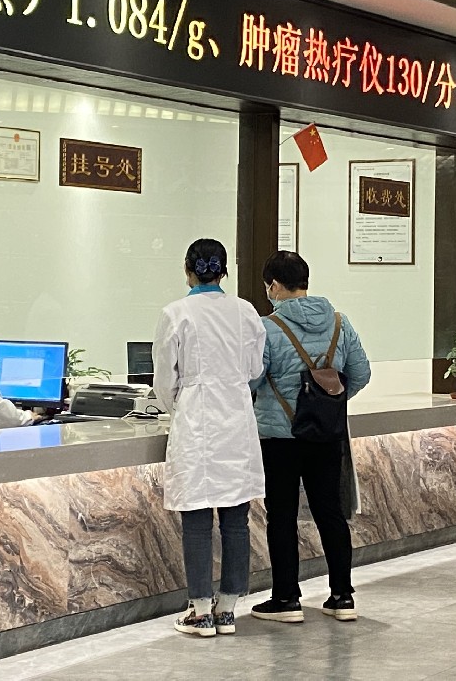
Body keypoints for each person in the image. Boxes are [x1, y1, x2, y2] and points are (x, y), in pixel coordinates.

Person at [152, 239, 266, 637]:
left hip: (196, 419)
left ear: (188, 271)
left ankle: (200, 611)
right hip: (236, 420)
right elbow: (255, 369)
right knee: (236, 518)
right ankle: (228, 609)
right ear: (224, 272)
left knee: (197, 520)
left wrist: (180, 406)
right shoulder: (246, 311)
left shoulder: (176, 313)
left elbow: (164, 380)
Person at [249, 251, 371, 623]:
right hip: (326, 434)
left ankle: (286, 599)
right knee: (330, 511)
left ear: (273, 285)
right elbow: (361, 373)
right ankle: (342, 596)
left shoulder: (267, 328)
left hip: (279, 436)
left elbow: (253, 379)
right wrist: (326, 403)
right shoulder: (339, 322)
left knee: (281, 515)